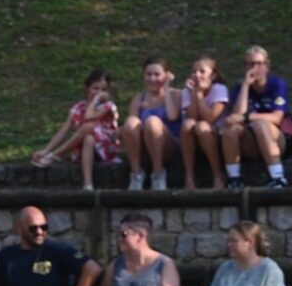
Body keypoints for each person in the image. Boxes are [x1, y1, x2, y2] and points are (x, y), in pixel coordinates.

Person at [220, 46, 292, 188]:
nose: (255, 68)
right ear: (245, 67)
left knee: (261, 124)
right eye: (251, 64)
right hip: (253, 142)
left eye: (259, 64)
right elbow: (237, 115)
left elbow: (277, 117)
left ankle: (278, 178)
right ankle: (234, 179)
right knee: (231, 129)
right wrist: (245, 86)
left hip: (278, 140)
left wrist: (248, 117)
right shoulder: (240, 87)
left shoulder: (277, 84)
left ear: (267, 66)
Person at [30, 69, 120, 190]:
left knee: (88, 126)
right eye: (95, 88)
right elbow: (63, 131)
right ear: (87, 88)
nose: (99, 93)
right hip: (84, 149)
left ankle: (55, 155)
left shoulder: (108, 106)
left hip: (105, 149)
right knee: (88, 138)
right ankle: (88, 184)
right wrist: (46, 149)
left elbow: (89, 117)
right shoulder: (79, 107)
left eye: (103, 90)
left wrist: (95, 100)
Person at [123, 57, 184, 191]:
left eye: (157, 74)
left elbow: (172, 116)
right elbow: (129, 129)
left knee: (152, 122)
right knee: (131, 122)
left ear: (166, 75)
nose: (152, 79)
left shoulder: (177, 95)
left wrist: (166, 88)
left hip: (169, 145)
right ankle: (136, 174)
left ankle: (158, 174)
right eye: (148, 74)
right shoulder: (138, 99)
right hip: (145, 146)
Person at [180, 57, 231, 190]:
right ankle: (189, 175)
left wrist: (200, 95)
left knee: (202, 126)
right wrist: (193, 94)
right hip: (194, 133)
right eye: (194, 71)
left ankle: (217, 175)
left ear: (213, 75)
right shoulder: (187, 90)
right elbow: (191, 117)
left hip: (216, 133)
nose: (197, 75)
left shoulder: (220, 89)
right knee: (188, 125)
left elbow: (209, 118)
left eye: (202, 71)